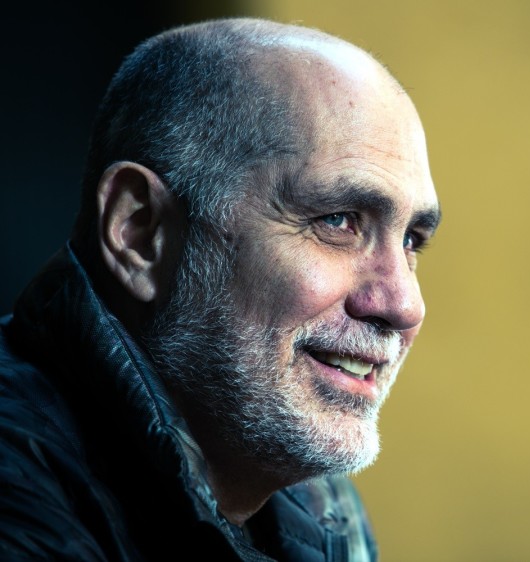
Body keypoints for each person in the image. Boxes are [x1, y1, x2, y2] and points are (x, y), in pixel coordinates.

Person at [0, 18, 440, 561]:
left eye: (412, 240)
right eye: (338, 220)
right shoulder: (18, 493)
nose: (404, 305)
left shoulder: (321, 506)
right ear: (140, 231)